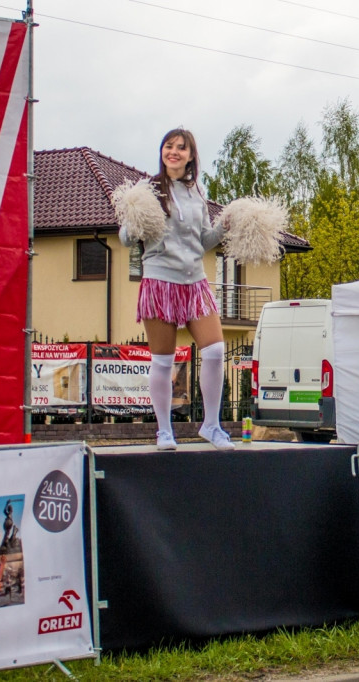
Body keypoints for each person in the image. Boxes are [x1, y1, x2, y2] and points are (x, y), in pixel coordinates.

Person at [120, 128, 234, 451]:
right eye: (169, 146)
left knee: (214, 350)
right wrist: (133, 223)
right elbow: (126, 238)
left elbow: (204, 240)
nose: (174, 152)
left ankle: (211, 425)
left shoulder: (196, 191)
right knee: (163, 360)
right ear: (162, 153)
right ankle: (164, 431)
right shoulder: (149, 189)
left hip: (194, 282)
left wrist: (224, 226)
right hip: (160, 283)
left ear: (191, 156)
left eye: (181, 148)